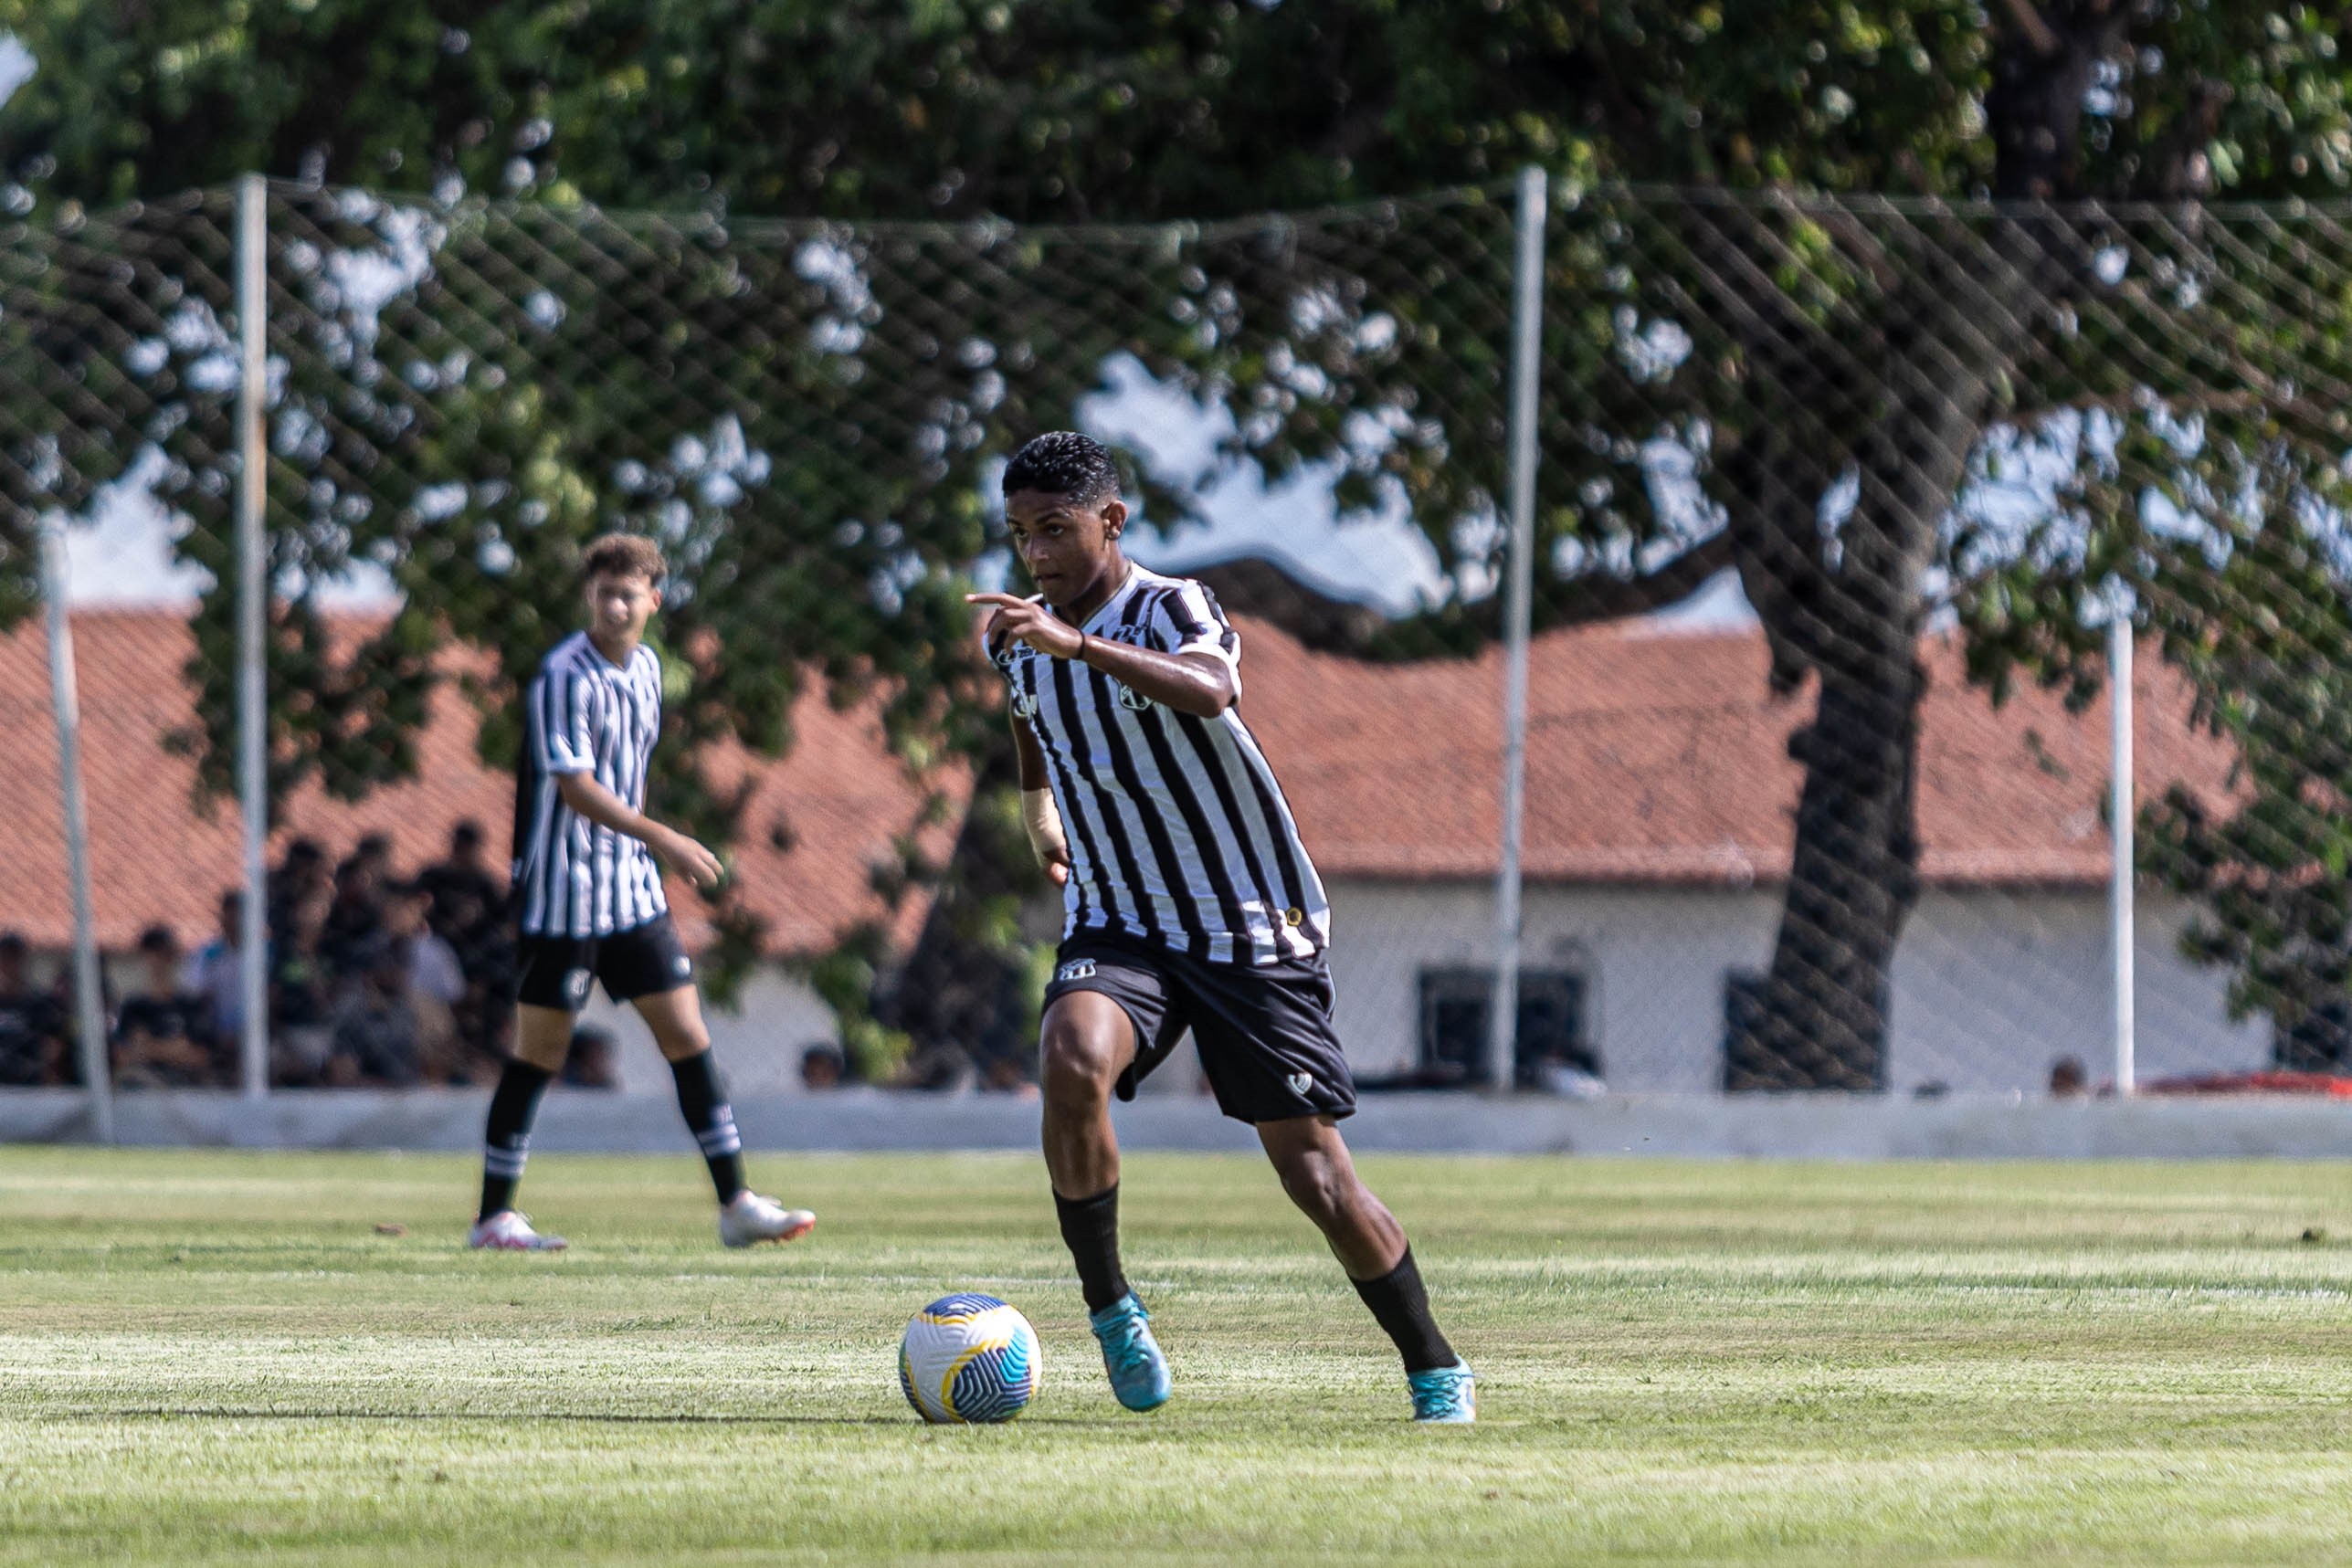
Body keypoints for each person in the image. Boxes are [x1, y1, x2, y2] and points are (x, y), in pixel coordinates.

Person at [967, 432, 1472, 1424]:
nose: (1036, 555)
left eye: (1055, 530)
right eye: (1021, 534)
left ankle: (1432, 1363)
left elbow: (1211, 689)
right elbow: (1030, 717)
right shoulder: (1019, 635)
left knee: (1317, 1177)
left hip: (1245, 928)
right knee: (1071, 1057)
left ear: (1112, 520)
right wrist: (1040, 813)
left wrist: (1078, 644)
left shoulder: (1171, 606)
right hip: (1118, 918)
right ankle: (1110, 1305)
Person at [472, 531, 813, 1252]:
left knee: (688, 1036)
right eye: (603, 593)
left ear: (653, 601)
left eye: (628, 593)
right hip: (563, 894)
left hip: (630, 893)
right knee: (540, 1050)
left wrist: (646, 847)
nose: (615, 604)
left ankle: (735, 1202)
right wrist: (664, 835)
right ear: (588, 599)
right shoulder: (562, 675)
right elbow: (574, 786)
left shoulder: (651, 669)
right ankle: (494, 1215)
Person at [113, 925, 221, 1088]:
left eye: (164, 954)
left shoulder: (189, 1005)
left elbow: (201, 1056)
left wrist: (150, 1048)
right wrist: (174, 1048)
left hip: (184, 1089)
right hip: (141, 1089)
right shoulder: (133, 1006)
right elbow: (121, 1056)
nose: (158, 960)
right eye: (152, 953)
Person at [183, 890, 249, 1050]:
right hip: (216, 1034)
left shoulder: (264, 953)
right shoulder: (207, 954)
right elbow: (195, 992)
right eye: (229, 916)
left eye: (237, 916)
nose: (233, 923)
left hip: (253, 1032)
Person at [0, 932, 66, 1087]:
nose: (9, 965)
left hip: (29, 1084)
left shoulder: (38, 1004)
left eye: (14, 958)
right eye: (5, 958)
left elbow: (55, 1044)